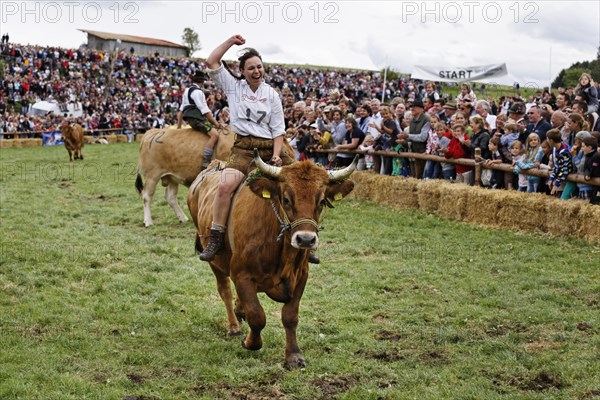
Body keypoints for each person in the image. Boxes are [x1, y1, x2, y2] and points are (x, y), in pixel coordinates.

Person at [199, 34, 296, 262]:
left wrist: (276, 155)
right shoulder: (234, 87)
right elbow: (212, 62)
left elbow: (278, 129)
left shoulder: (271, 94)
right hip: (244, 147)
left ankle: (306, 237)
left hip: (271, 147)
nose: (256, 71)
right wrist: (230, 42)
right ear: (242, 71)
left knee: (303, 183)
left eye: (259, 67)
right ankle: (216, 236)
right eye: (251, 68)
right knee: (225, 185)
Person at [177, 71, 222, 168]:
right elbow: (205, 111)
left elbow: (180, 111)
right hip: (197, 118)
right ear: (202, 82)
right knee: (215, 135)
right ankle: (205, 160)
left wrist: (179, 127)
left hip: (190, 119)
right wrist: (217, 124)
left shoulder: (187, 91)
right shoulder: (198, 92)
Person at [546, 128, 575, 198]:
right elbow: (557, 166)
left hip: (567, 179)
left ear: (551, 140)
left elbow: (565, 169)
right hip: (560, 178)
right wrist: (551, 178)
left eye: (547, 139)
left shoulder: (565, 151)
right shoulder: (555, 149)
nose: (546, 141)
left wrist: (556, 184)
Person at [582, 136, 600, 203]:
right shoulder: (587, 155)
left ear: (589, 147)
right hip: (594, 184)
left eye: (583, 146)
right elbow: (586, 168)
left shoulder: (596, 156)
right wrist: (587, 174)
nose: (582, 149)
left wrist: (589, 175)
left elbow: (595, 170)